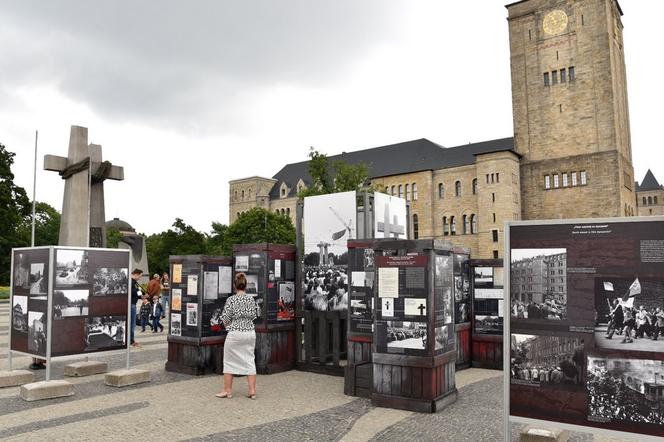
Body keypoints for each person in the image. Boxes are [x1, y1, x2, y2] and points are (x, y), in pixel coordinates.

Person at [216, 273, 258, 399]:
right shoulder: (251, 299)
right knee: (250, 360)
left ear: (235, 286)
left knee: (228, 361)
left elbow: (225, 318)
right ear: (245, 286)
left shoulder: (231, 300)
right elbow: (254, 316)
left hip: (235, 333)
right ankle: (252, 391)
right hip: (250, 332)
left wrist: (229, 325)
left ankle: (227, 391)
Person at [130, 268, 144, 347]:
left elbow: (136, 292)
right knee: (132, 324)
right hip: (131, 305)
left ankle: (131, 340)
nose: (140, 278)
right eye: (140, 276)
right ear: (136, 274)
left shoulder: (134, 282)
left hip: (133, 304)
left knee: (132, 323)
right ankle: (131, 341)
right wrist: (140, 293)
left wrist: (141, 296)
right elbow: (132, 291)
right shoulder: (131, 282)